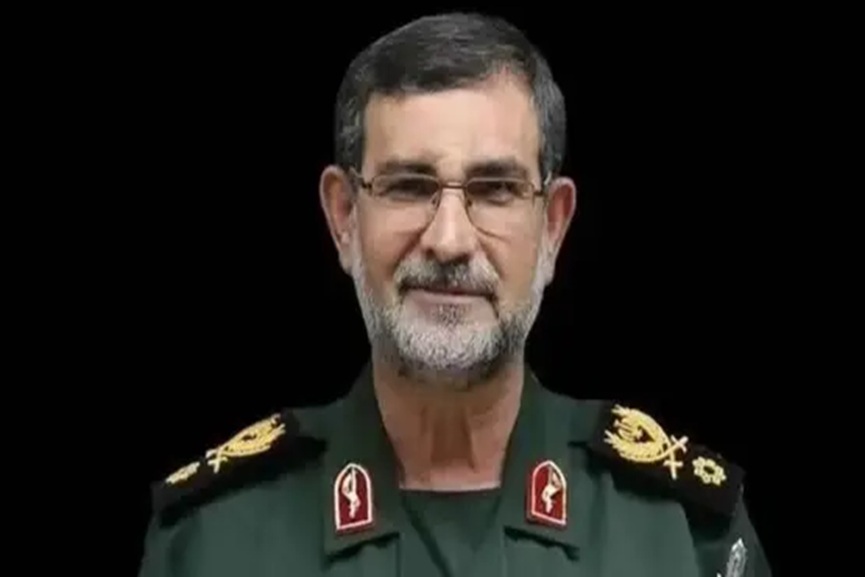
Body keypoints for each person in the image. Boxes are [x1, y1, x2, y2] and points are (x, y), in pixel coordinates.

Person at [138, 12, 772, 577]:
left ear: (552, 227)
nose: (448, 241)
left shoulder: (685, 538)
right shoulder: (209, 542)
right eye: (409, 186)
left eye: (495, 189)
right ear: (344, 218)